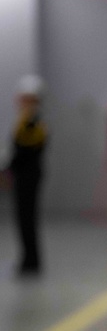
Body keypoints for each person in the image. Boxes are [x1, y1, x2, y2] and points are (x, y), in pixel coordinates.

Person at [7, 74, 47, 276]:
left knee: (27, 220)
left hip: (28, 178)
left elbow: (24, 151)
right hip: (26, 176)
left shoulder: (31, 121)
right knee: (25, 220)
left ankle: (31, 261)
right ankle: (28, 259)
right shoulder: (28, 120)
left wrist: (8, 168)